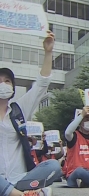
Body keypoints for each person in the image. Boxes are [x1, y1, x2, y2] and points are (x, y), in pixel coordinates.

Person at [0, 31, 62, 196]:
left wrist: (48, 52)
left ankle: (21, 191)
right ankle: (23, 194)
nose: (3, 85)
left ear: (13, 87)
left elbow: (41, 85)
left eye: (7, 81)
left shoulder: (18, 109)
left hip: (20, 177)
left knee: (53, 166)